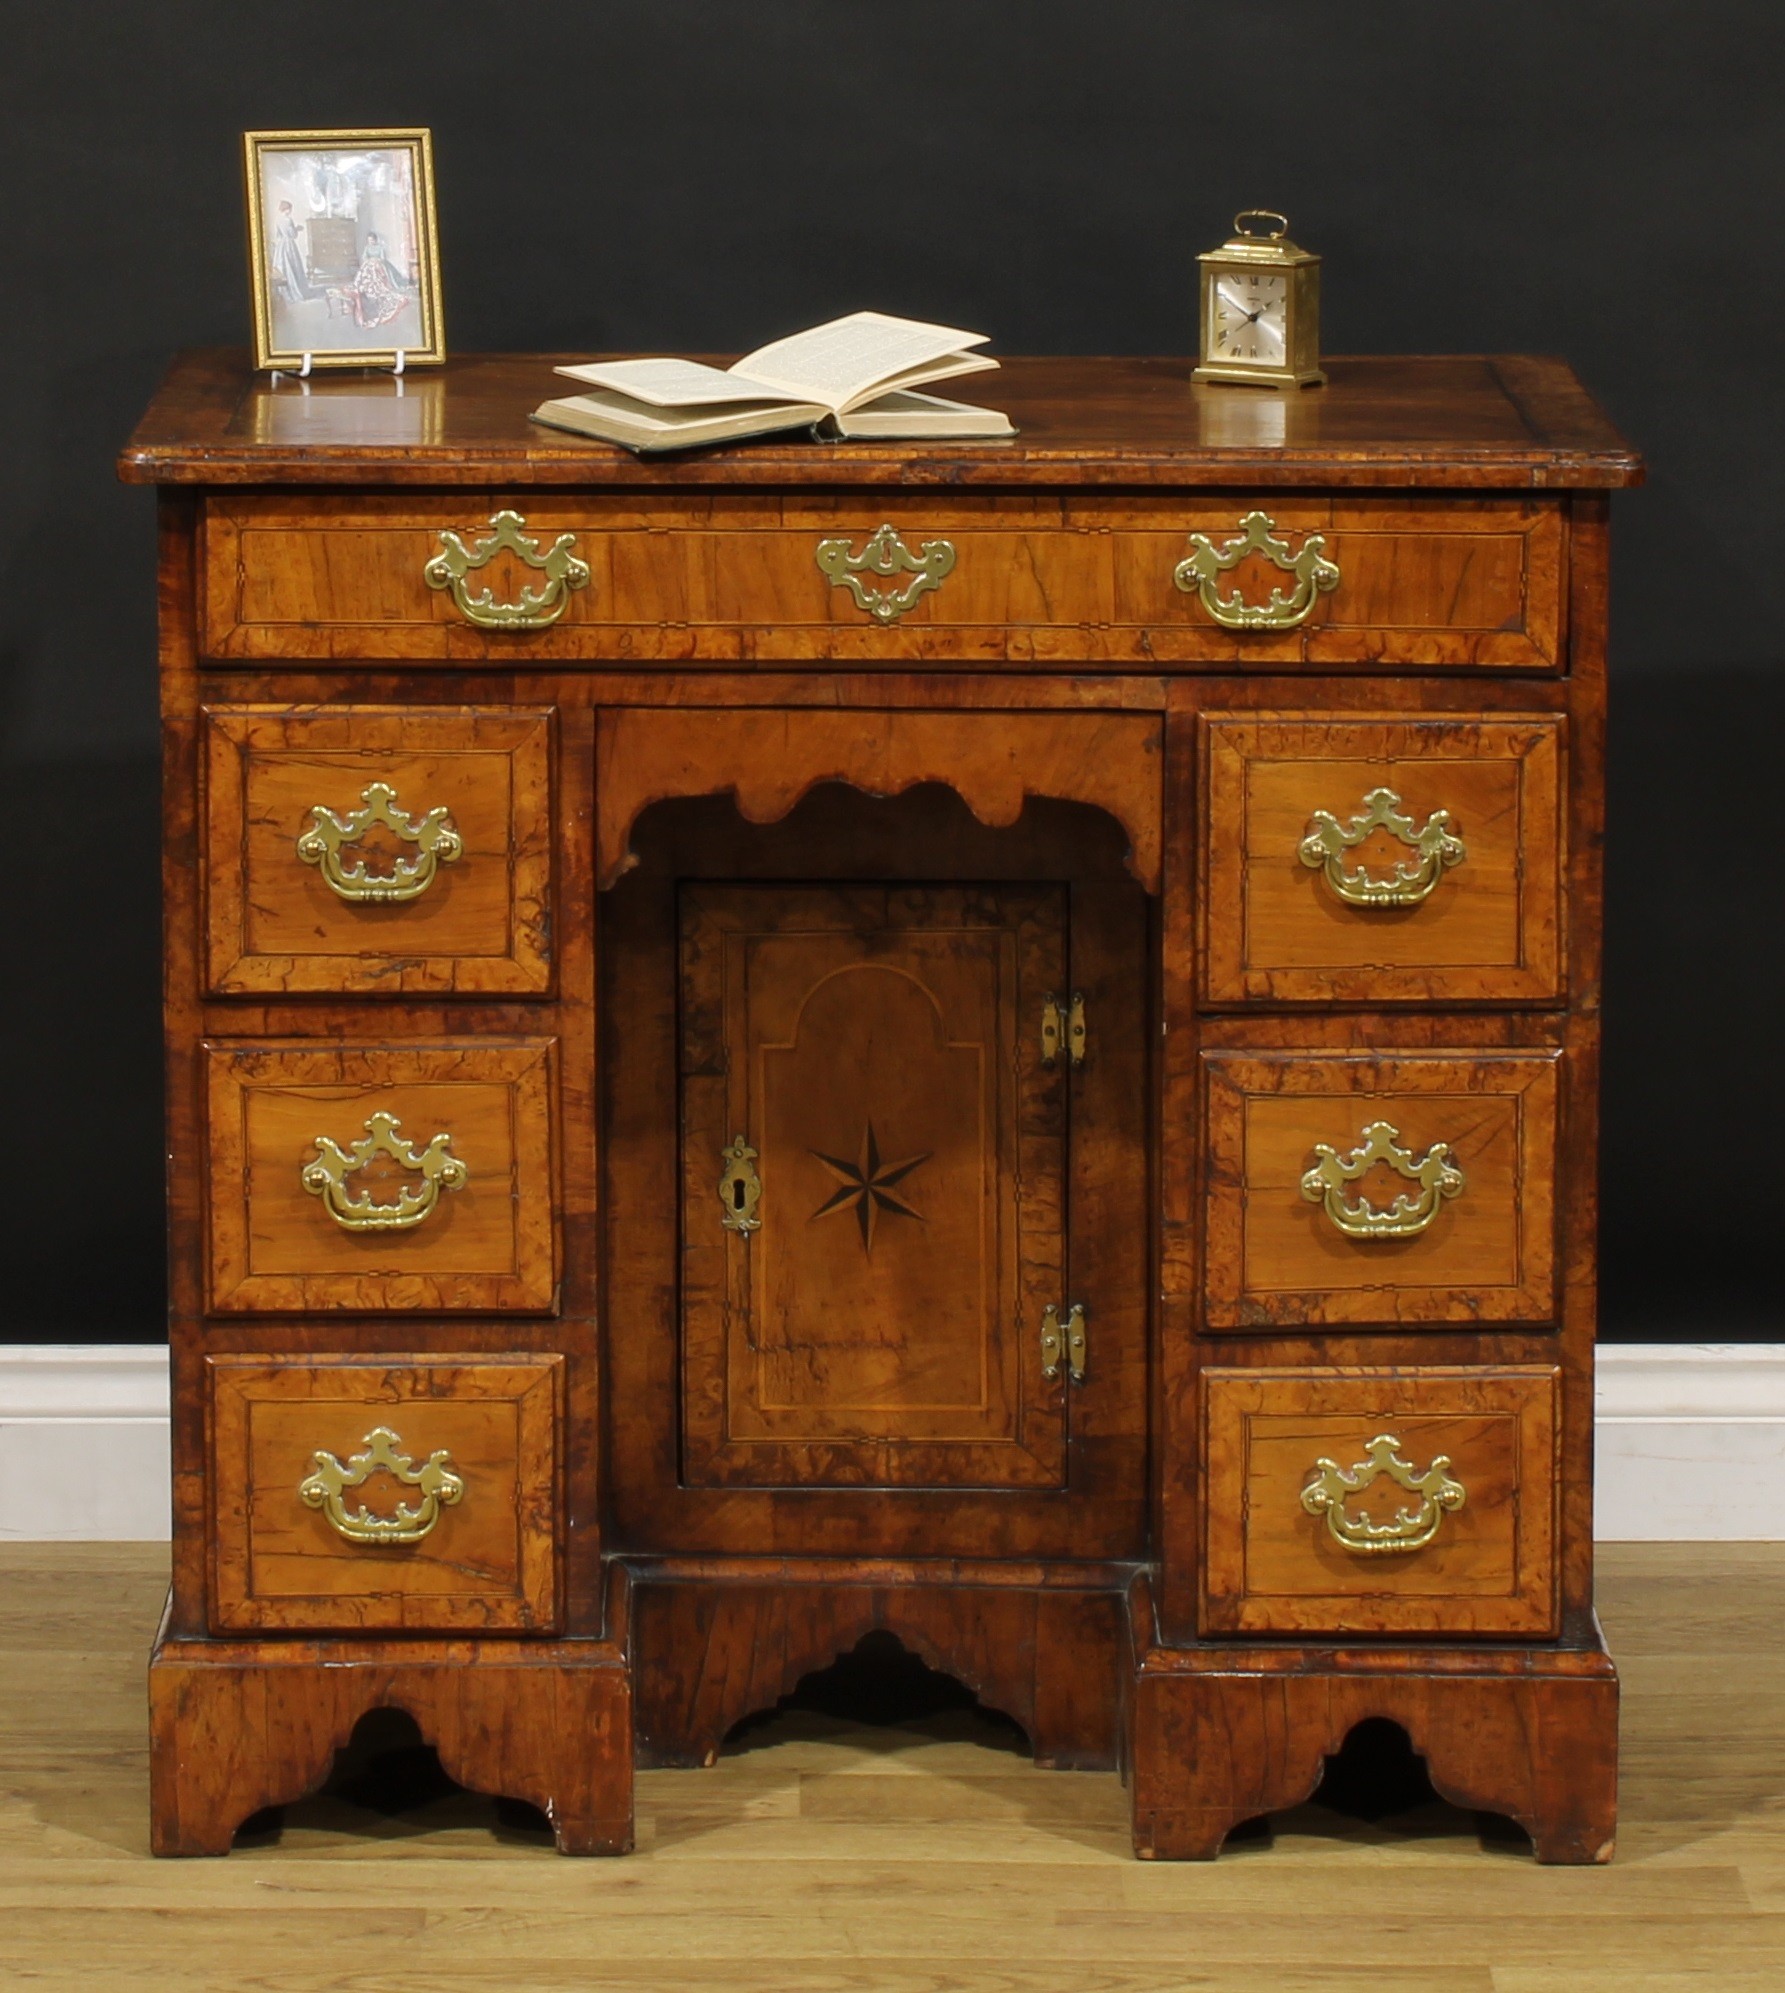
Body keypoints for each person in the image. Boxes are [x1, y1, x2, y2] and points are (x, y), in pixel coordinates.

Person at [339, 231, 410, 332]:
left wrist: (375, 260)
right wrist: (369, 260)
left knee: (374, 268)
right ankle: (364, 285)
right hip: (369, 263)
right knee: (366, 268)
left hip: (378, 263)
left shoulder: (380, 248)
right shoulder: (367, 248)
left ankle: (376, 284)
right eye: (369, 241)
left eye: (372, 240)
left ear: (375, 240)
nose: (371, 242)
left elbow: (382, 258)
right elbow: (364, 257)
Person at [268, 200, 310, 303]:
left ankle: (285, 291)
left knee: (284, 267)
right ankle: (294, 290)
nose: (290, 211)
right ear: (286, 209)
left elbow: (278, 235)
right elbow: (293, 235)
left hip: (281, 245)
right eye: (289, 209)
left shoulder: (278, 220)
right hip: (289, 245)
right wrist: (297, 229)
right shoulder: (288, 220)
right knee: (293, 265)